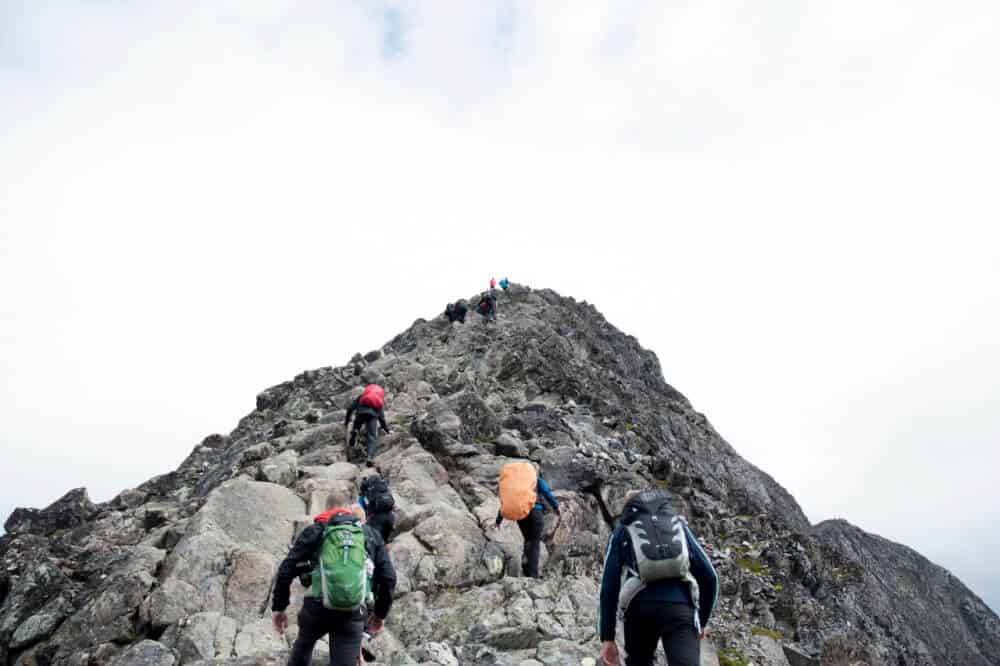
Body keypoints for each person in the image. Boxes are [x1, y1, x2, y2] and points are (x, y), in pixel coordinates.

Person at [272, 487, 397, 666]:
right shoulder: (369, 534)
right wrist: (379, 615)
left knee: (304, 644)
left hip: (316, 608)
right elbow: (388, 577)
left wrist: (280, 608)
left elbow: (285, 570)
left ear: (326, 508)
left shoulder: (315, 530)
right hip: (352, 611)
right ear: (348, 509)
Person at [598, 488, 718, 666]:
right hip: (680, 607)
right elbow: (709, 576)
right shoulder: (678, 525)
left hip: (639, 609)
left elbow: (609, 586)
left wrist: (607, 637)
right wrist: (701, 621)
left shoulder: (622, 531)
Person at [494, 464, 560, 578]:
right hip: (536, 513)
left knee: (528, 539)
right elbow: (546, 492)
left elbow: (506, 504)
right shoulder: (536, 480)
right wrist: (555, 506)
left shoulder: (516, 487)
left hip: (522, 515)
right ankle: (533, 574)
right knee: (535, 542)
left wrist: (498, 521)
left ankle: (525, 564)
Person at [345, 385, 390, 466]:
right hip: (372, 417)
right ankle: (369, 457)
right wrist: (387, 430)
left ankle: (355, 431)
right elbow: (381, 418)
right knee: (371, 437)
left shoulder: (362, 396)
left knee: (357, 425)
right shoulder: (378, 400)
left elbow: (350, 408)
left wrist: (347, 421)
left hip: (360, 413)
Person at [359, 474, 396, 543]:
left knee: (374, 540)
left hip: (376, 519)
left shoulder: (368, 492)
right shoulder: (384, 487)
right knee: (384, 539)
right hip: (390, 517)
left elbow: (361, 507)